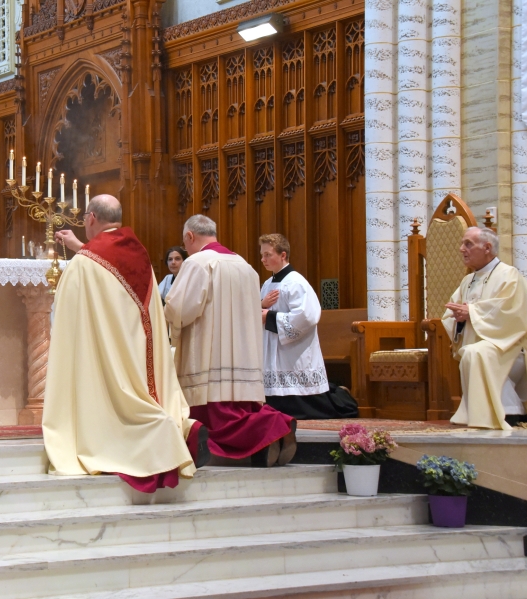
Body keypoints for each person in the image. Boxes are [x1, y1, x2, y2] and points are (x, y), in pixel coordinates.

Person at [43, 195, 209, 493]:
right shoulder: (138, 252)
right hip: (139, 348)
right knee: (145, 391)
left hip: (108, 354)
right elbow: (112, 276)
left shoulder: (84, 264)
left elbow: (70, 318)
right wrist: (80, 248)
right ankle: (179, 426)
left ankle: (161, 436)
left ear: (91, 218)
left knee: (119, 401)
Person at [165, 215, 296, 467]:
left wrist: (164, 314)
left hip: (209, 355)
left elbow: (181, 308)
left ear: (190, 236)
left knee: (215, 417)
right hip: (242, 359)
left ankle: (274, 425)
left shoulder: (197, 263)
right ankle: (272, 434)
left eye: (185, 242)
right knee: (238, 408)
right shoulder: (244, 265)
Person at [443, 226, 527, 430]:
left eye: (468, 244)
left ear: (487, 247)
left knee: (475, 353)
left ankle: (508, 413)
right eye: (462, 243)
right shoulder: (467, 281)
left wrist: (471, 312)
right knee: (471, 351)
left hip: (510, 347)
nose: (462, 249)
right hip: (483, 346)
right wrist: (459, 317)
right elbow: (452, 314)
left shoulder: (509, 275)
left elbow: (513, 315)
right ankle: (486, 414)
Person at [258, 234, 359, 420]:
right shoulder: (267, 284)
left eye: (267, 254)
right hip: (273, 350)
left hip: (294, 352)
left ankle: (341, 396)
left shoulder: (296, 282)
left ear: (283, 255)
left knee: (306, 403)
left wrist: (270, 317)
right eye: (262, 255)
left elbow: (307, 316)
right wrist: (260, 307)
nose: (263, 259)